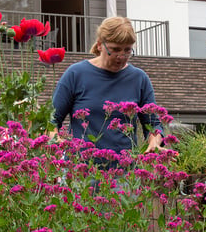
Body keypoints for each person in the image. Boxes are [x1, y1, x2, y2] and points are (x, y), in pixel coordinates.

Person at [52, 16, 162, 159]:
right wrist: (55, 140)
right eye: (115, 49)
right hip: (79, 175)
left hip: (125, 175)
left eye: (127, 50)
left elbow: (153, 124)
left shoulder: (139, 79)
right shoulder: (76, 74)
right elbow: (52, 120)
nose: (121, 56)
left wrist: (155, 142)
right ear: (100, 45)